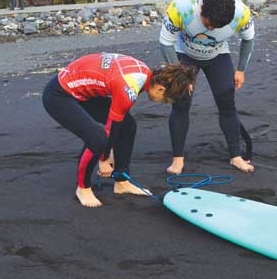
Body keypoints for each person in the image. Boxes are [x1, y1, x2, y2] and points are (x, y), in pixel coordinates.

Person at [42, 52, 198, 208]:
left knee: (127, 126)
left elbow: (118, 124)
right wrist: (104, 160)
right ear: (161, 88)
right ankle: (83, 188)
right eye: (166, 100)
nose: (163, 102)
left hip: (84, 94)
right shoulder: (128, 88)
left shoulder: (145, 73)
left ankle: (121, 182)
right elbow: (111, 128)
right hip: (59, 95)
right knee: (98, 138)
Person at [159, 0, 255, 174]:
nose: (210, 29)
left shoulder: (242, 14)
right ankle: (177, 160)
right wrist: (179, 75)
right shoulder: (181, 8)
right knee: (181, 102)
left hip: (217, 55)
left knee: (226, 101)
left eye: (216, 27)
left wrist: (241, 70)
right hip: (184, 53)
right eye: (208, 24)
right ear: (201, 9)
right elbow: (165, 43)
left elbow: (248, 40)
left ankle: (236, 156)